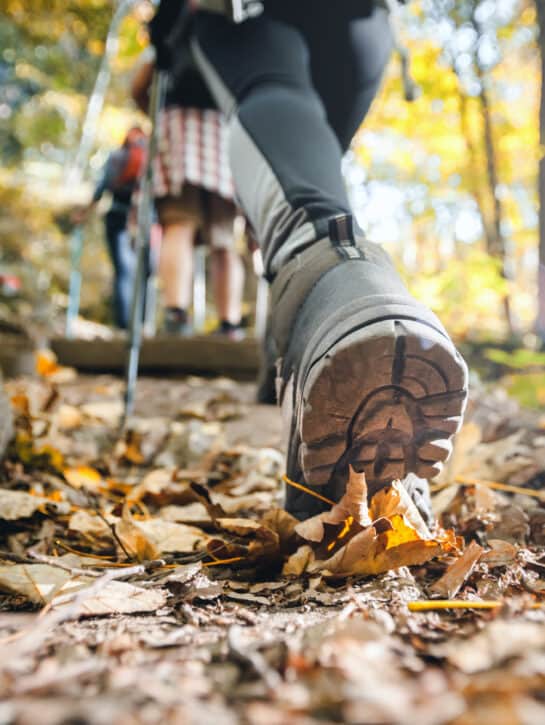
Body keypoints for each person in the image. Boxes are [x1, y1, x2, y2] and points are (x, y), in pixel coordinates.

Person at [155, 0, 469, 521]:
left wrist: (165, 28)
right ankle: (309, 327)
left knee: (276, 99)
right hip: (362, 26)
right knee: (308, 158)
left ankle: (331, 286)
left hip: (245, 16)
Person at [131, 45, 245, 338]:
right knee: (224, 240)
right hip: (225, 133)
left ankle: (175, 313)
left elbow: (139, 85)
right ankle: (229, 324)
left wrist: (156, 111)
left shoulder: (176, 26)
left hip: (178, 127)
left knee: (179, 224)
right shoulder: (234, 30)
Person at [73, 127, 146, 329]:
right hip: (144, 220)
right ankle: (142, 322)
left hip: (117, 216)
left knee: (123, 272)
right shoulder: (151, 157)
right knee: (143, 272)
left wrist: (83, 213)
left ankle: (124, 324)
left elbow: (101, 188)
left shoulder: (116, 156)